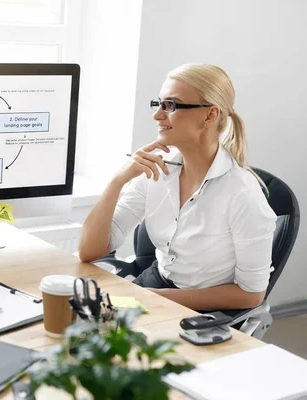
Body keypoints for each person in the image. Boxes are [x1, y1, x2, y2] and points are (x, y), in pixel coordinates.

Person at [78, 63, 277, 311]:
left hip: (204, 309)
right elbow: (90, 251)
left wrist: (153, 298)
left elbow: (251, 295)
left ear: (210, 115)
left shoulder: (242, 194)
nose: (157, 115)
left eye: (171, 105)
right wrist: (117, 181)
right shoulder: (157, 170)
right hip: (154, 285)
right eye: (159, 103)